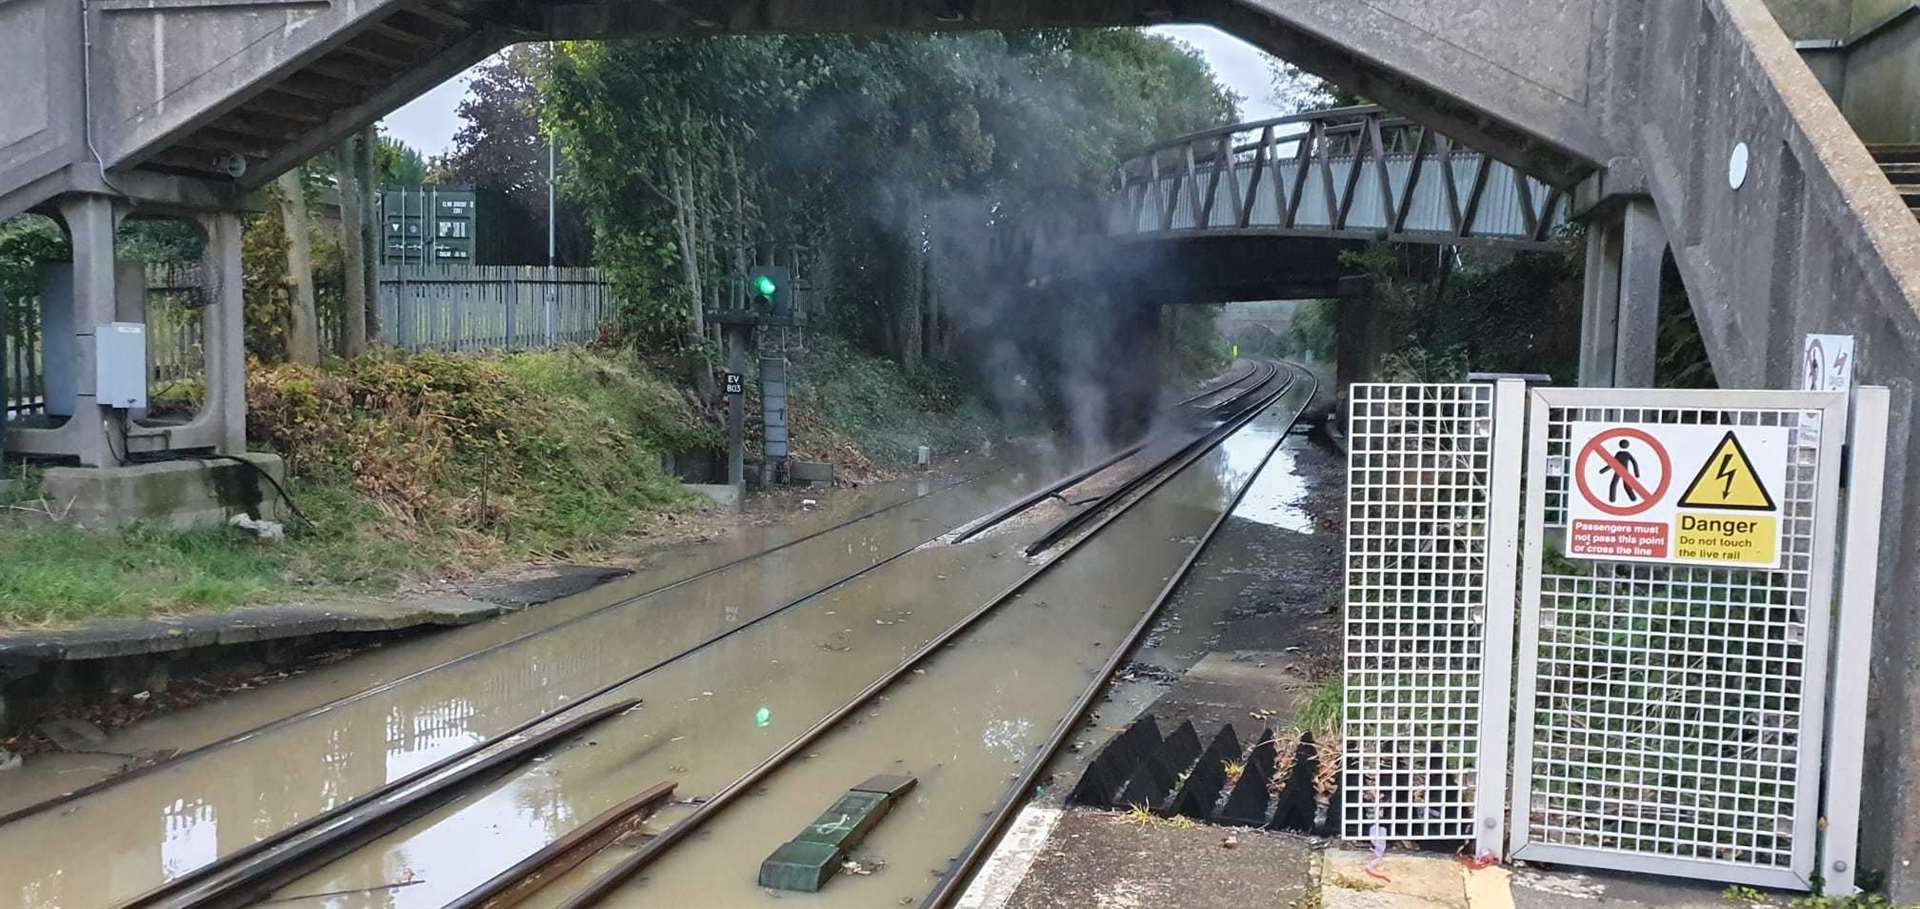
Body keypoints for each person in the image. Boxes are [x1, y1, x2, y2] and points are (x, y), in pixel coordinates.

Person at [1599, 439, 1641, 503]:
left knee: (1616, 485)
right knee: (1624, 486)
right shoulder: (1625, 454)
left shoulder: (1620, 454)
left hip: (1620, 472)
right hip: (1622, 472)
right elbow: (1634, 462)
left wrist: (1603, 470)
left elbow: (1612, 463)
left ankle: (1614, 499)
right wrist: (1636, 473)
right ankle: (1632, 498)